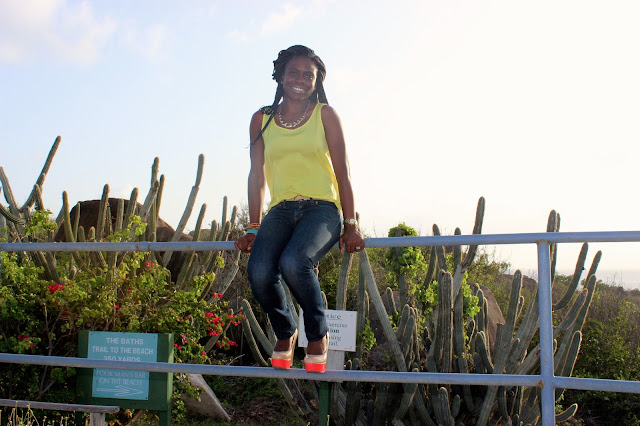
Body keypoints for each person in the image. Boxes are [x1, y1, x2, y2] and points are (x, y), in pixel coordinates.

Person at [234, 45, 365, 373]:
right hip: (279, 210)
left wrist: (350, 224)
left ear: (317, 80)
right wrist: (253, 225)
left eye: (309, 75)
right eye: (294, 72)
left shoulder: (325, 115)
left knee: (294, 262)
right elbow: (256, 174)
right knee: (260, 271)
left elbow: (342, 171)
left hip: (322, 209)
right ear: (279, 75)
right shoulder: (261, 120)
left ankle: (317, 334)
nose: (301, 79)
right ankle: (286, 331)